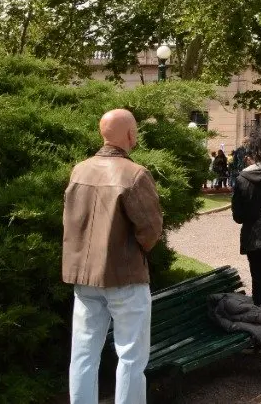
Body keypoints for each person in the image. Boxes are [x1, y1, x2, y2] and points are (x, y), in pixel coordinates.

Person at [63, 108, 164, 404]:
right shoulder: (135, 174)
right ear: (130, 135)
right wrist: (139, 250)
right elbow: (151, 229)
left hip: (85, 276)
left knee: (83, 353)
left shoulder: (79, 170)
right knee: (131, 355)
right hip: (125, 276)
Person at [231, 133, 261, 306]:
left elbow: (238, 216)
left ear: (247, 157)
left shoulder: (242, 180)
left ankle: (260, 313)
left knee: (259, 282)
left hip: (254, 236)